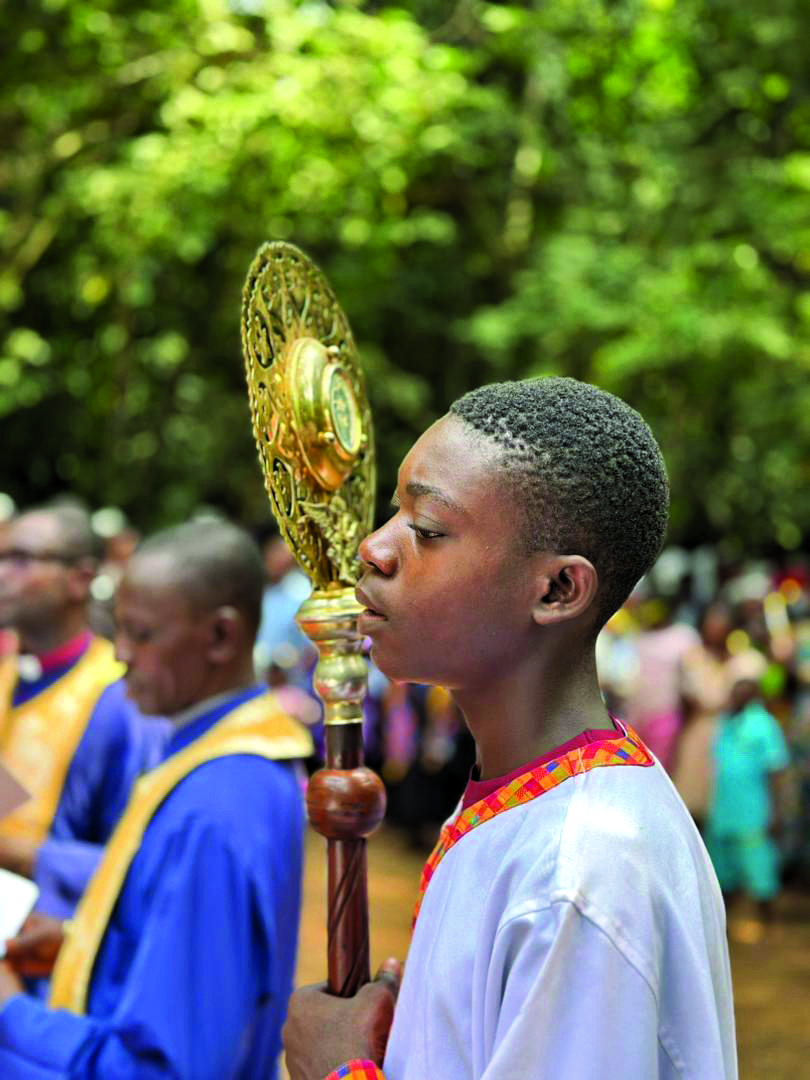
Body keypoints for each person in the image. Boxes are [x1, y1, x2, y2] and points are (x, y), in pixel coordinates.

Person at [283, 377, 737, 1079]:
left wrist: (339, 1068)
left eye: (427, 531)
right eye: (392, 514)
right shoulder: (527, 805)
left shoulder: (580, 873)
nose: (373, 549)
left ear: (557, 590)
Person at [0, 519, 312, 1078]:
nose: (120, 654)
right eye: (118, 630)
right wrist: (84, 944)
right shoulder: (205, 753)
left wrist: (10, 1013)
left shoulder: (220, 801)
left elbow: (165, 1066)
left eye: (142, 635)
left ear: (220, 636)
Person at [0, 505, 143, 916]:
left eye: (21, 559)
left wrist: (18, 853)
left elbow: (128, 863)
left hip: (54, 940)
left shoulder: (119, 695)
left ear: (79, 579)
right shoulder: (8, 673)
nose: (3, 573)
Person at [705, 676, 789, 937]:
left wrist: (775, 811)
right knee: (721, 868)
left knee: (758, 865)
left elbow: (775, 769)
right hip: (723, 808)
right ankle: (723, 927)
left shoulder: (764, 724)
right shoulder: (725, 722)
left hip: (753, 809)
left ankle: (768, 921)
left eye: (740, 693)